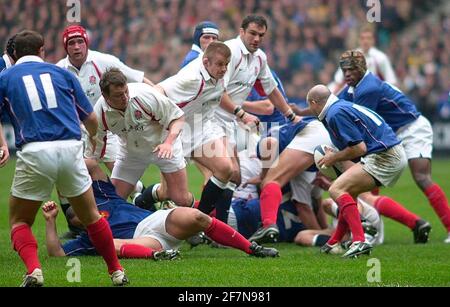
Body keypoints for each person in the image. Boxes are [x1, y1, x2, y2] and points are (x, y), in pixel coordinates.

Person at [0, 30, 128, 287]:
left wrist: (2, 144)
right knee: (92, 216)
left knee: (20, 220)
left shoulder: (5, 76)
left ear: (13, 55)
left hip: (35, 151)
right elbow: (91, 119)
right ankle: (117, 272)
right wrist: (93, 139)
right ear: (42, 51)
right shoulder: (62, 74)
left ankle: (35, 271)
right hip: (71, 149)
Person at [42, 159, 279, 259]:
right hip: (146, 243)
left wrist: (62, 169)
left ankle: (252, 248)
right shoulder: (88, 237)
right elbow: (57, 253)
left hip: (156, 221)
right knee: (106, 243)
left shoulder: (104, 197)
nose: (78, 218)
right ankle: (158, 256)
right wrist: (51, 220)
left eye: (78, 212)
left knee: (198, 216)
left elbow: (91, 164)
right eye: (74, 220)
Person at [337, 50, 449, 243]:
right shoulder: (353, 88)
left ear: (362, 68)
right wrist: (303, 113)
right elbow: (331, 103)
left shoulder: (367, 89)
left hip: (412, 128)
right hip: (391, 133)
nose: (347, 73)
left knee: (421, 177)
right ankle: (373, 231)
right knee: (369, 172)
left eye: (352, 69)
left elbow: (359, 123)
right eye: (344, 69)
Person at [307, 84, 407, 258]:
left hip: (385, 156)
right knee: (348, 194)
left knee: (336, 189)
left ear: (314, 102)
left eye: (309, 105)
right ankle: (334, 242)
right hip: (389, 152)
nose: (310, 109)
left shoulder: (335, 113)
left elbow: (359, 148)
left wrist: (334, 157)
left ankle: (360, 241)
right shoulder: (339, 107)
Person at [85, 68, 194, 210]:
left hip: (164, 147)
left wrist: (168, 143)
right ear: (106, 97)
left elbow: (178, 117)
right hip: (131, 154)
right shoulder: (99, 114)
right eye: (118, 95)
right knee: (113, 202)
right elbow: (94, 152)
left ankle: (202, 220)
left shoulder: (145, 95)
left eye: (126, 91)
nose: (125, 97)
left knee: (181, 199)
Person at [157, 41, 240, 223]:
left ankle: (199, 220)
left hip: (201, 129)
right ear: (205, 62)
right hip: (177, 133)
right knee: (174, 196)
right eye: (219, 64)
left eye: (226, 64)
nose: (224, 69)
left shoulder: (221, 73)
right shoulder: (191, 78)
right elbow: (158, 90)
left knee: (226, 169)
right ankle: (144, 199)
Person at [56, 25, 154, 172]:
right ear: (65, 46)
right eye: (71, 43)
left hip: (106, 129)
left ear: (86, 43)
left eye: (80, 41)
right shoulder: (58, 71)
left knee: (123, 178)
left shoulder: (104, 61)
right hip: (74, 135)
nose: (76, 47)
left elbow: (138, 78)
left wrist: (159, 96)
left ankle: (139, 194)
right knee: (72, 183)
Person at [329, 26, 398, 94]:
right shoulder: (350, 57)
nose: (365, 41)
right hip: (353, 96)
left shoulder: (381, 58)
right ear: (359, 40)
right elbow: (338, 81)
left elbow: (392, 82)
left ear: (373, 40)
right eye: (363, 38)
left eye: (368, 38)